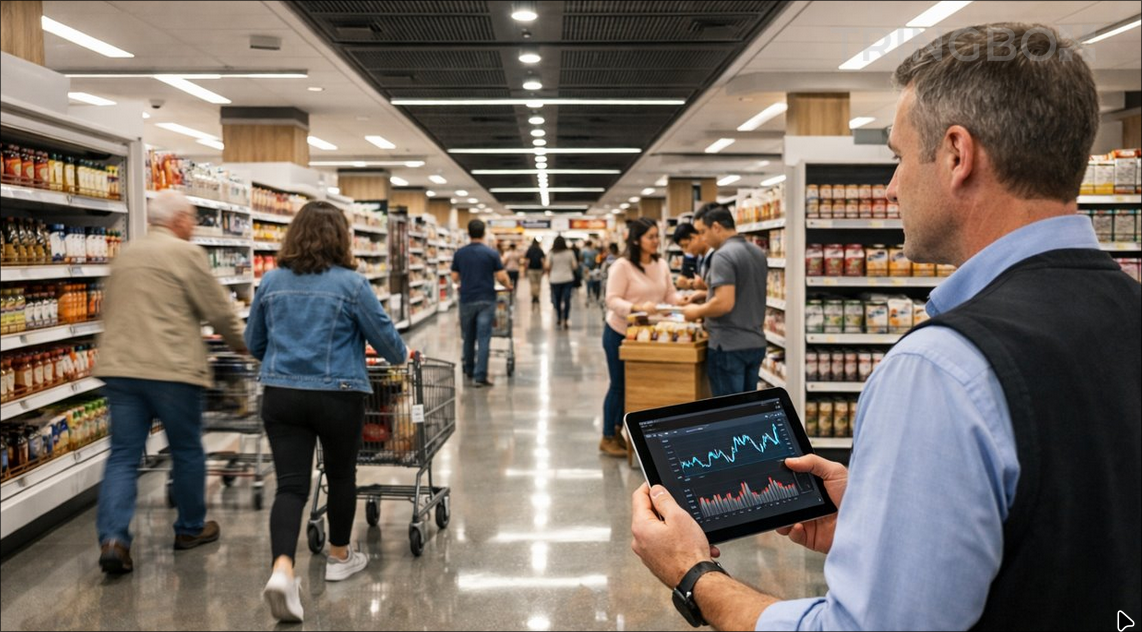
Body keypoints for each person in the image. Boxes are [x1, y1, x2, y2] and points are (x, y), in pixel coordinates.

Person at [631, 24, 1140, 631]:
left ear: (957, 154)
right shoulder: (1125, 306)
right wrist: (892, 519)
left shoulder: (943, 370)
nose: (891, 186)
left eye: (898, 157)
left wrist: (694, 575)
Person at [245, 201, 408, 622]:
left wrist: (284, 359)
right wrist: (398, 354)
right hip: (338, 394)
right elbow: (390, 345)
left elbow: (254, 342)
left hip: (281, 395)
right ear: (342, 237)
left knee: (291, 487)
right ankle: (339, 556)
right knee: (339, 475)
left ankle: (283, 568)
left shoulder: (271, 281)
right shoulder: (352, 284)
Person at [93, 190, 247, 574]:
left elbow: (107, 307)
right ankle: (190, 529)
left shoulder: (126, 254)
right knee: (187, 450)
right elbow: (219, 312)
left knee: (124, 455)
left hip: (121, 369)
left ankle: (113, 540)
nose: (194, 226)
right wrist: (246, 346)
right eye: (192, 219)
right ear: (178, 220)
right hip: (171, 369)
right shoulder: (187, 254)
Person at [601, 218, 679, 457]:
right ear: (636, 240)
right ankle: (607, 435)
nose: (656, 241)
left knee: (635, 387)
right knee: (619, 385)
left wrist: (684, 303)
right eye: (651, 237)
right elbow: (612, 299)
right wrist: (637, 308)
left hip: (647, 336)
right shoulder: (622, 266)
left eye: (657, 236)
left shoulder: (661, 264)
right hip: (620, 333)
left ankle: (621, 432)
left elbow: (670, 294)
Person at [682, 204, 767, 397]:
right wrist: (705, 294)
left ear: (716, 227)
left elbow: (724, 303)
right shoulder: (756, 252)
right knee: (748, 408)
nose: (703, 238)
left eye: (703, 232)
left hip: (728, 345)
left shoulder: (723, 255)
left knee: (727, 412)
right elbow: (744, 293)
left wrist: (696, 312)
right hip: (754, 343)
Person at [452, 219, 513, 387]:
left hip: (466, 300)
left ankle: (469, 369)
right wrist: (508, 285)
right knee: (484, 338)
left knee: (468, 337)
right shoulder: (491, 253)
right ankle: (480, 376)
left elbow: (454, 277)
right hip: (486, 299)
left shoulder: (460, 253)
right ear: (484, 233)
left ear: (468, 232)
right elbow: (501, 276)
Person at [545, 236, 578, 329]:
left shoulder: (551, 253)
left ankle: (559, 317)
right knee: (567, 299)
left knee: (557, 299)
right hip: (568, 279)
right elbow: (575, 266)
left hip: (555, 279)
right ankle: (566, 318)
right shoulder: (570, 253)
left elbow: (547, 266)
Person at [672, 222, 709, 291]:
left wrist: (703, 286)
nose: (685, 251)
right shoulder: (697, 256)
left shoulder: (714, 255)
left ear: (694, 237)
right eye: (682, 247)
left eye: (686, 245)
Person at [524, 238, 546, 307]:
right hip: (539, 269)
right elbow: (542, 260)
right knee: (538, 283)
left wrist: (526, 269)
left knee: (532, 283)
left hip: (531, 269)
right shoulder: (540, 250)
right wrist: (544, 269)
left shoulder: (529, 250)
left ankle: (534, 296)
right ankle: (537, 296)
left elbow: (527, 261)